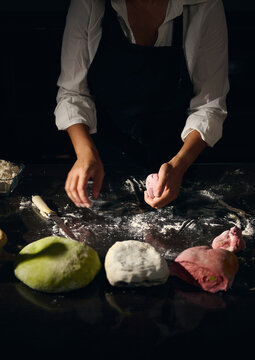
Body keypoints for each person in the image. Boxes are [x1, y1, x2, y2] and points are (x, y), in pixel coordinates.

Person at [55, 0, 229, 210]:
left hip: (179, 160)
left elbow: (208, 105)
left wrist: (178, 166)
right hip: (104, 162)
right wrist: (85, 153)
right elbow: (73, 93)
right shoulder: (91, 4)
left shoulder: (203, 5)